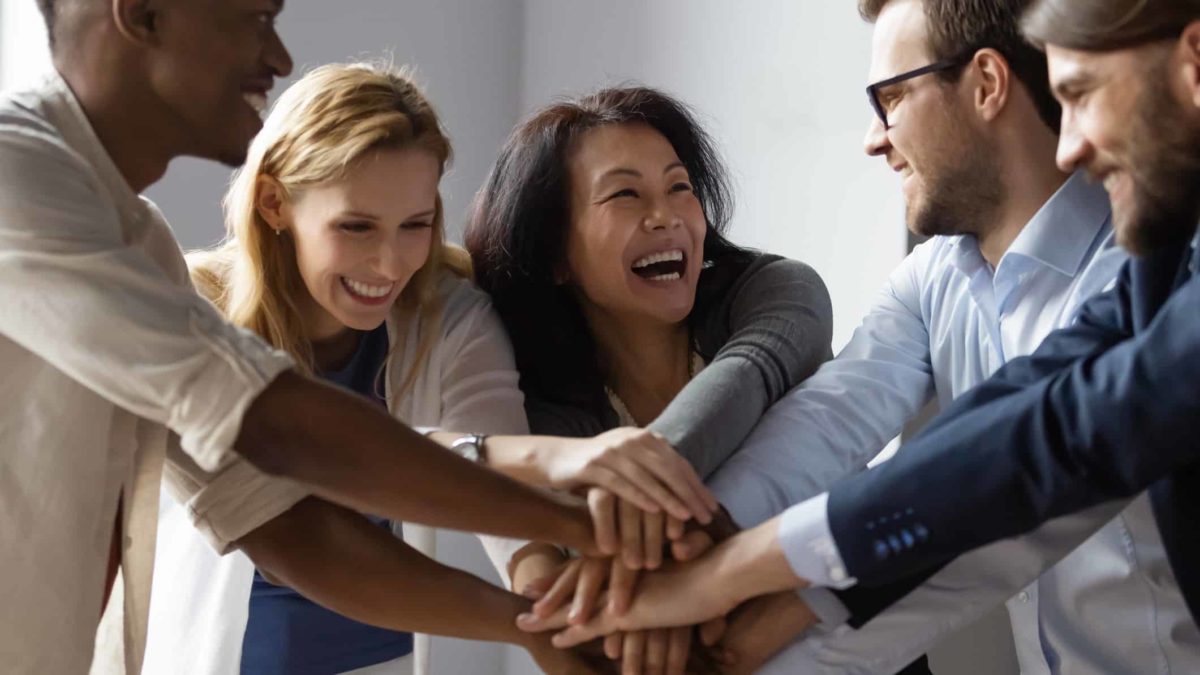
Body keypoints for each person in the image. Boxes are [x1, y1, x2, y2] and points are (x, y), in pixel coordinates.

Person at [0, 2, 704, 672]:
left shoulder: (138, 245)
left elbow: (290, 531)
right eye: (255, 18)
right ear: (144, 14)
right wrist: (598, 528)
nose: (277, 56)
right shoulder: (16, 175)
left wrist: (537, 625)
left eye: (414, 224)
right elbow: (282, 424)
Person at [517, 0, 1200, 662]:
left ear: (987, 84)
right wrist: (670, 559)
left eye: (891, 100)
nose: (875, 137)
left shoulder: (1151, 259)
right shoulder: (937, 280)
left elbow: (1032, 463)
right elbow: (830, 421)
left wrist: (731, 580)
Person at [466, 85, 834, 673]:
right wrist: (642, 599)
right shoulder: (544, 412)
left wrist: (635, 559)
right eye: (625, 195)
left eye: (680, 187)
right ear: (556, 253)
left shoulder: (780, 293)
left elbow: (744, 381)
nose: (666, 217)